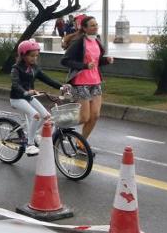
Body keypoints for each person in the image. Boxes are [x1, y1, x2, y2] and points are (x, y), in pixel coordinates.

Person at [60, 14, 112, 143]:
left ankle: (81, 143)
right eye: (92, 25)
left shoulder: (97, 40)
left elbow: (96, 61)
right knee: (84, 117)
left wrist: (106, 60)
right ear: (84, 28)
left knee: (95, 116)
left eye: (96, 25)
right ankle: (60, 124)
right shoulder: (78, 42)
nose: (96, 27)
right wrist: (84, 66)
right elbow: (65, 61)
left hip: (95, 82)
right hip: (81, 82)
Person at [10, 39, 64, 156]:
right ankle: (30, 145)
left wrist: (61, 87)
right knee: (36, 116)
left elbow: (47, 79)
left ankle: (34, 135)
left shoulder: (34, 68)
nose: (34, 58)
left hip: (28, 97)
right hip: (17, 98)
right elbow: (15, 84)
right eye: (31, 56)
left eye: (36, 56)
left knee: (47, 117)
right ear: (23, 55)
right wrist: (26, 92)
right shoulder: (16, 68)